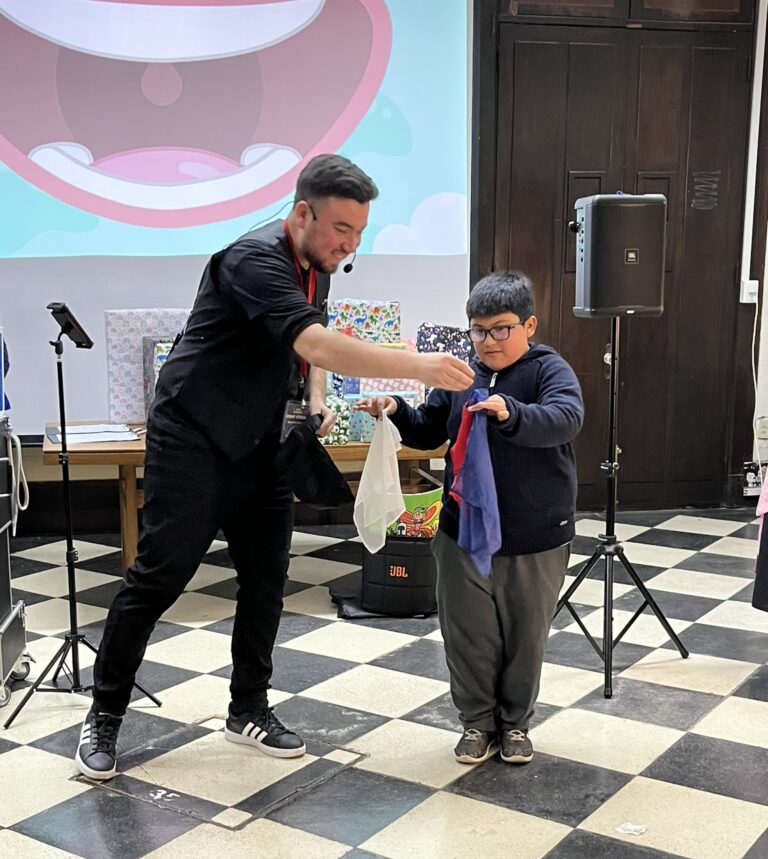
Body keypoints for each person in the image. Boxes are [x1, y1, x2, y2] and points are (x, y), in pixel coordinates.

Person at [75, 154, 474, 780]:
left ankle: (248, 709)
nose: (350, 244)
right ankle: (103, 715)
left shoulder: (318, 266)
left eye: (361, 233)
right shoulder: (252, 260)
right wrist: (418, 364)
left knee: (266, 577)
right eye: (342, 229)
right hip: (194, 436)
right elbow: (315, 341)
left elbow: (310, 346)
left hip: (262, 440)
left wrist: (312, 400)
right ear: (301, 213)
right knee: (160, 575)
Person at [358, 271, 583, 766]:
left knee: (525, 637)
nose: (488, 341)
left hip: (534, 531)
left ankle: (516, 725)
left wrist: (511, 412)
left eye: (501, 328)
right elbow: (428, 428)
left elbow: (566, 417)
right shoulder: (460, 374)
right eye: (478, 331)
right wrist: (395, 409)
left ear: (529, 325)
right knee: (467, 634)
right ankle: (478, 724)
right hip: (462, 528)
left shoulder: (549, 369)